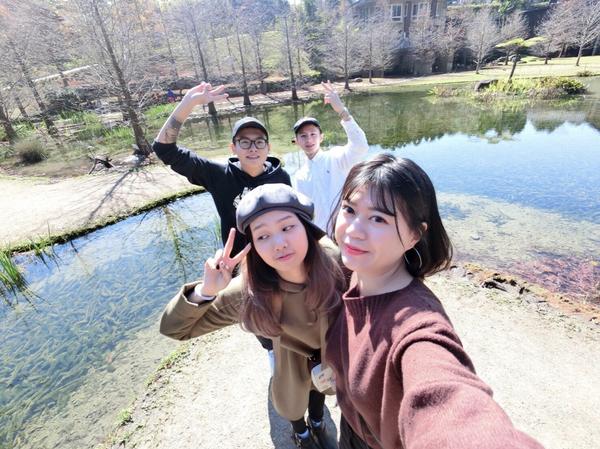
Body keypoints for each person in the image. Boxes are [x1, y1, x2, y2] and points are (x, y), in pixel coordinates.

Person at [325, 154, 545, 449]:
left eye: (378, 218)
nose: (353, 230)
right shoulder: (350, 272)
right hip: (351, 429)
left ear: (415, 235)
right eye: (349, 209)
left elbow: (449, 402)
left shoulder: (417, 327)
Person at [160, 184, 345, 449]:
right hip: (289, 365)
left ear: (306, 226)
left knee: (320, 391)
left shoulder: (334, 261)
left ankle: (318, 423)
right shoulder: (251, 291)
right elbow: (174, 328)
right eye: (263, 236)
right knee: (293, 403)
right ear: (254, 246)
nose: (279, 243)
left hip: (327, 358)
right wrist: (205, 291)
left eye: (287, 227)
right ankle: (302, 435)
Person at [153, 82, 291, 258]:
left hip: (277, 260)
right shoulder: (219, 176)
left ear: (268, 147)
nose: (253, 148)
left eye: (259, 142)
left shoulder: (281, 178)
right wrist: (188, 102)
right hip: (238, 265)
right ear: (233, 148)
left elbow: (291, 222)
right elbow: (164, 149)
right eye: (244, 142)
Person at [291, 81, 369, 231]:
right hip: (322, 237)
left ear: (321, 137)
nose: (309, 140)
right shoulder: (300, 176)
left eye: (313, 134)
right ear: (296, 141)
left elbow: (360, 146)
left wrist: (342, 111)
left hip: (349, 230)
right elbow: (304, 213)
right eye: (303, 136)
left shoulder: (336, 157)